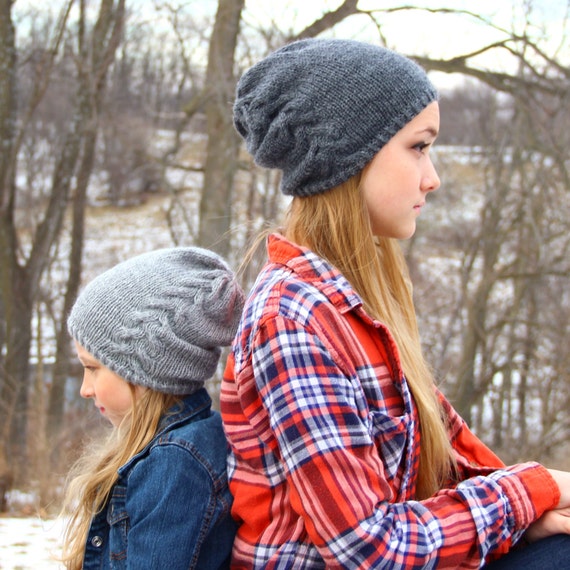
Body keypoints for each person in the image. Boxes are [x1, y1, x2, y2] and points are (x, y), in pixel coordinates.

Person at [220, 38, 570, 569]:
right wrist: (530, 491)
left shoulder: (356, 304)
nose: (433, 178)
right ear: (347, 156)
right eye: (418, 146)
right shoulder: (291, 320)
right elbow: (368, 547)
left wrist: (526, 517)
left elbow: (448, 454)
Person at [60, 247, 244, 570]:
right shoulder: (167, 453)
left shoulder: (176, 465)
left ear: (144, 370)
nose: (85, 390)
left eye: (92, 368)